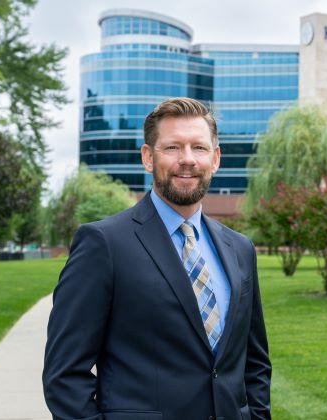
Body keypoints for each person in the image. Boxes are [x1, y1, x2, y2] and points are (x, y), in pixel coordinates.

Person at [43, 97, 271, 420]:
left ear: (216, 158)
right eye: (173, 148)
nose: (187, 160)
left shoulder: (240, 249)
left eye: (199, 148)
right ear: (148, 157)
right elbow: (64, 376)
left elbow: (255, 363)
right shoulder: (104, 245)